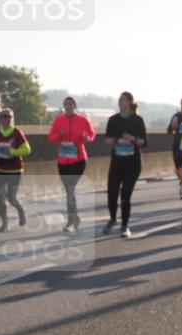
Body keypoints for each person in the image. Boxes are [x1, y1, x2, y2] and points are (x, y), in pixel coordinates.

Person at [48, 96, 96, 232]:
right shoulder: (59, 120)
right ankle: (74, 219)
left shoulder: (82, 120)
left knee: (70, 189)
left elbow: (92, 134)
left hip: (78, 160)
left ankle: (71, 220)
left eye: (70, 104)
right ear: (64, 107)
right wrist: (59, 134)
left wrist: (87, 138)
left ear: (75, 106)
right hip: (63, 160)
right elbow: (50, 137)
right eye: (66, 104)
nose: (68, 106)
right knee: (69, 190)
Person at [104, 91, 147, 238]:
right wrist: (116, 139)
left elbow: (144, 142)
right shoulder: (113, 120)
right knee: (111, 194)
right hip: (117, 162)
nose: (120, 102)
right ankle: (113, 219)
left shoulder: (137, 120)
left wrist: (132, 138)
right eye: (119, 100)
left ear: (129, 102)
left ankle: (125, 226)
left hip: (132, 164)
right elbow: (107, 140)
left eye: (123, 100)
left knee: (125, 195)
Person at [0, 108, 30, 232]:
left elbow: (27, 149)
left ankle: (21, 210)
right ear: (0, 119)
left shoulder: (17, 132)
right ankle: (5, 224)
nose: (8, 119)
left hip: (14, 170)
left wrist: (13, 152)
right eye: (5, 116)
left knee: (11, 198)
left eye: (10, 116)